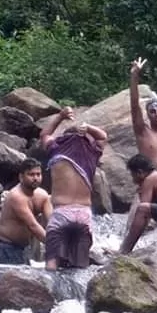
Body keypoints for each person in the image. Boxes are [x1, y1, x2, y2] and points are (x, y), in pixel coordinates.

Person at [40, 106, 108, 270]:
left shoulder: (56, 150)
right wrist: (88, 127)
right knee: (80, 267)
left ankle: (52, 293)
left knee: (52, 264)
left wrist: (60, 116)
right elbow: (103, 136)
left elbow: (44, 135)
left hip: (61, 213)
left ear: (63, 138)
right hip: (84, 214)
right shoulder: (91, 152)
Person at [0, 158, 53, 265]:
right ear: (21, 177)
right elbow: (33, 226)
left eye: (38, 174)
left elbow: (52, 222)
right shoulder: (16, 196)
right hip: (5, 247)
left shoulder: (43, 196)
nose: (35, 178)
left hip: (24, 248)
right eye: (31, 174)